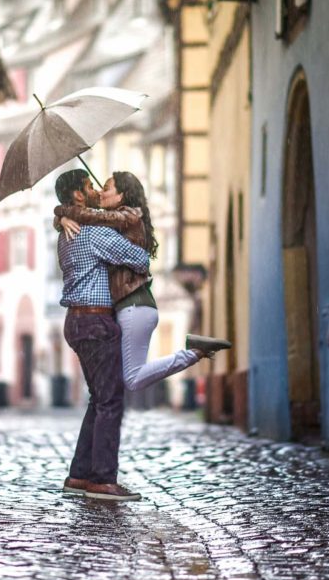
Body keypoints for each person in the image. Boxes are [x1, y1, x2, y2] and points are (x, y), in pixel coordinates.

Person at [55, 171, 231, 396]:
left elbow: (97, 222)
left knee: (132, 379)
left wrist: (64, 213)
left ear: (122, 196)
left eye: (106, 188)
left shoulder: (126, 216)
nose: (99, 191)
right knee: (118, 379)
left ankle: (195, 352)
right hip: (129, 307)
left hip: (134, 305)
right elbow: (89, 217)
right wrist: (62, 216)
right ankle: (195, 350)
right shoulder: (112, 220)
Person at [54, 169, 151, 502]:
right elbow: (138, 259)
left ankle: (80, 474)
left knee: (99, 400)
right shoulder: (92, 233)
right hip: (96, 322)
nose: (96, 190)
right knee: (110, 401)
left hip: (77, 322)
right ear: (79, 197)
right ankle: (103, 480)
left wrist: (61, 215)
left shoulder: (66, 232)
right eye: (89, 186)